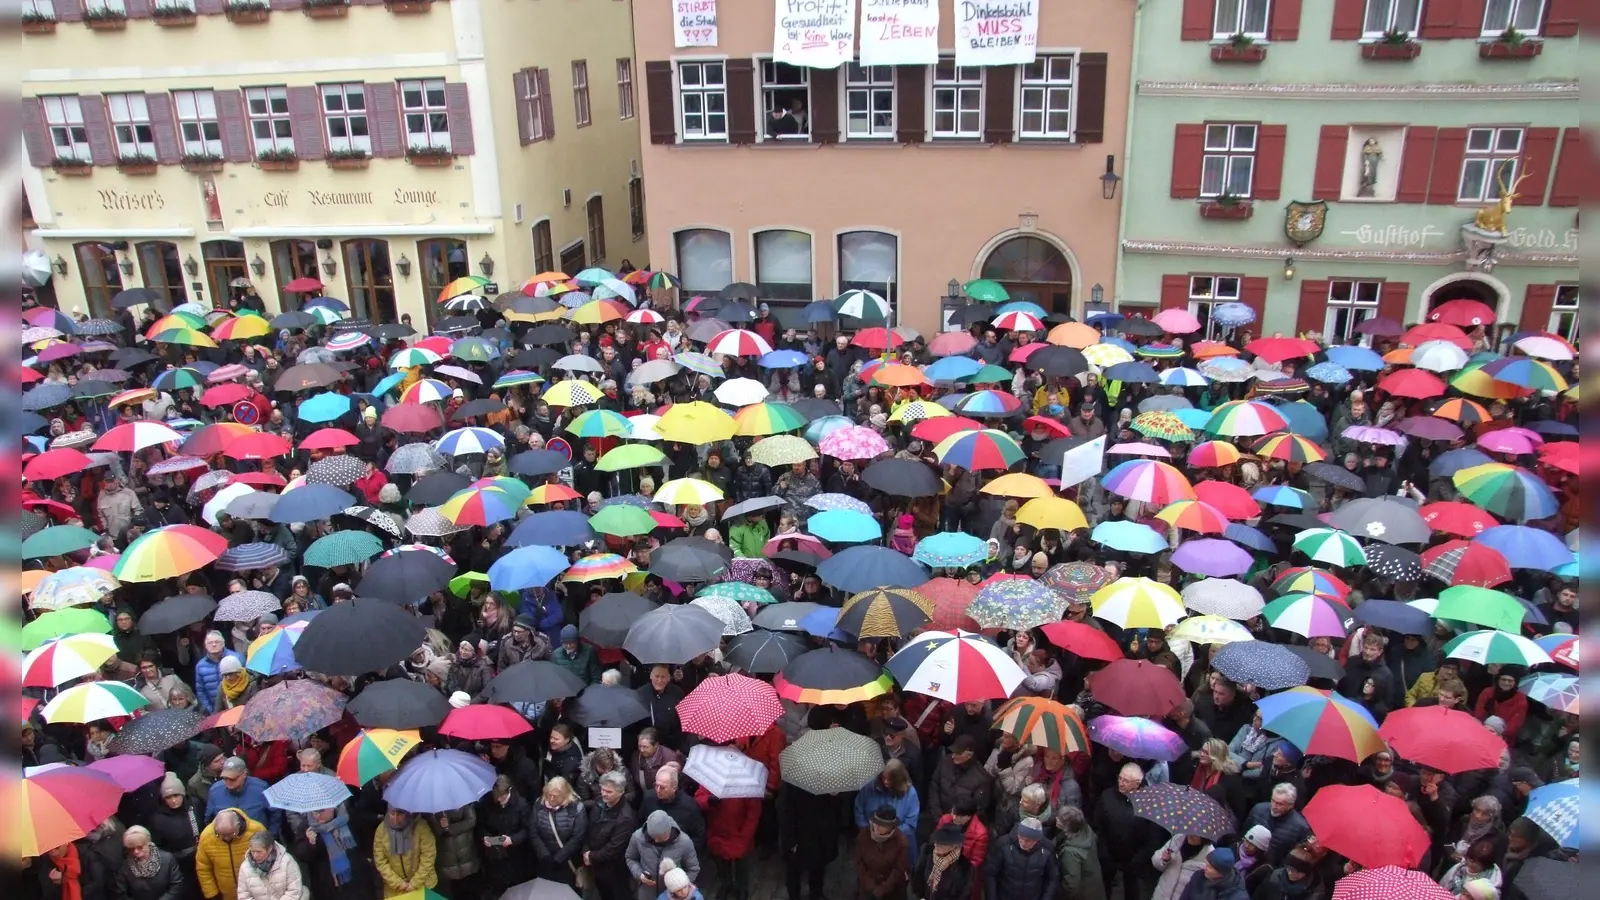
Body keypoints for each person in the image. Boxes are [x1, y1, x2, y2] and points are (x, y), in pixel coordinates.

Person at [294, 805, 370, 900]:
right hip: (327, 884)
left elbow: (364, 837)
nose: (317, 815)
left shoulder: (348, 817)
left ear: (332, 807)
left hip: (356, 878)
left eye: (321, 811)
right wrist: (310, 844)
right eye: (314, 812)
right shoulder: (306, 826)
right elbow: (301, 855)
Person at [586, 771, 640, 900]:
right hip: (597, 864)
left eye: (609, 792)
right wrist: (586, 849)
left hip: (614, 870)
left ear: (621, 792)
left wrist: (591, 856)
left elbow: (614, 848)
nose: (604, 793)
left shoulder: (626, 817)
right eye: (603, 789)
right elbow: (590, 827)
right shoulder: (599, 802)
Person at [626, 811, 701, 900]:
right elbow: (630, 858)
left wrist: (679, 888)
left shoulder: (684, 842)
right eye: (653, 837)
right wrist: (639, 874)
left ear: (668, 830)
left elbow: (693, 869)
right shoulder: (637, 837)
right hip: (647, 894)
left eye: (660, 837)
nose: (656, 841)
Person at [531, 776, 590, 886]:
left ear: (564, 794)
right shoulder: (539, 804)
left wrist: (559, 858)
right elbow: (534, 832)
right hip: (545, 859)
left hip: (567, 861)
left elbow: (577, 838)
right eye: (549, 795)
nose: (551, 799)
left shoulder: (576, 808)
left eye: (556, 796)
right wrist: (544, 855)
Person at [196, 808, 265, 900]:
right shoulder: (207, 836)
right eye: (221, 835)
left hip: (256, 892)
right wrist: (212, 894)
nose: (226, 839)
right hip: (226, 894)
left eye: (231, 834)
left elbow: (270, 859)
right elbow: (203, 868)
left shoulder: (257, 830)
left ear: (238, 825)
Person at [985, 817, 1058, 900]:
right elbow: (991, 874)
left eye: (1028, 841)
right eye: (1021, 838)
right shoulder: (1003, 844)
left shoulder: (1047, 849)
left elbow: (1052, 878)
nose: (1023, 843)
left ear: (1036, 840)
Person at [373, 806, 438, 898]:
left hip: (423, 883)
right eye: (392, 813)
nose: (395, 818)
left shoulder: (421, 827)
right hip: (395, 889)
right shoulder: (381, 830)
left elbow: (428, 856)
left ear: (408, 813)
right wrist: (398, 883)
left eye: (400, 814)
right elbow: (380, 861)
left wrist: (415, 883)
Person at [206, 756, 279, 833]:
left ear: (244, 774)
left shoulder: (261, 788)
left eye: (233, 778)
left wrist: (271, 835)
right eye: (225, 778)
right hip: (227, 840)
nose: (228, 782)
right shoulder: (215, 791)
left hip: (257, 840)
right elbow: (209, 819)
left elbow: (275, 814)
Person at [1243, 785, 1309, 866]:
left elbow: (1293, 857)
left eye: (1280, 804)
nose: (1274, 806)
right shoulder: (1258, 810)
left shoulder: (1300, 827)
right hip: (1246, 860)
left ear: (1290, 805)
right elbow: (1243, 834)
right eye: (1273, 800)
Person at [856, 806, 911, 900]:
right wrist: (869, 884)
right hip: (867, 887)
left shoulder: (901, 841)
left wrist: (880, 890)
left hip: (892, 891)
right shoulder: (864, 834)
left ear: (891, 827)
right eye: (875, 822)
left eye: (881, 825)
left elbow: (898, 870)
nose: (876, 826)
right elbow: (858, 861)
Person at [114, 826, 184, 900]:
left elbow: (177, 884)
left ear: (148, 843)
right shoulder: (126, 867)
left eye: (140, 847)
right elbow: (122, 893)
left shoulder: (167, 859)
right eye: (132, 849)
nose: (136, 851)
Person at [1053, 805, 1106, 900]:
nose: (1056, 818)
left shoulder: (1070, 852)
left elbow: (1072, 885)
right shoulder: (1087, 832)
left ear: (1066, 827)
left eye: (1060, 819)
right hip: (1094, 889)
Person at [236, 831, 303, 900]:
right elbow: (243, 896)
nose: (255, 855)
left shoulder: (287, 861)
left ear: (270, 848)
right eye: (253, 851)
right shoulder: (245, 867)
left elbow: (294, 890)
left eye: (259, 852)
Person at [1151, 833, 1213, 900]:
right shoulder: (1178, 839)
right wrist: (1164, 860)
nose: (1190, 835)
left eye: (1195, 834)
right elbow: (1156, 863)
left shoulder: (1210, 854)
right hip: (1161, 895)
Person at [36, 841, 105, 900]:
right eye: (49, 849)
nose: (53, 853)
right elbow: (45, 891)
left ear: (66, 843)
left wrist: (68, 879)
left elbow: (97, 882)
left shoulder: (85, 855)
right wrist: (57, 884)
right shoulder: (46, 860)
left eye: (57, 848)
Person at [1178, 848, 1250, 900]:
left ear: (1221, 872)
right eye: (1206, 864)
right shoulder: (1198, 876)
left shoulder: (1238, 895)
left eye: (1209, 867)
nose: (1204, 868)